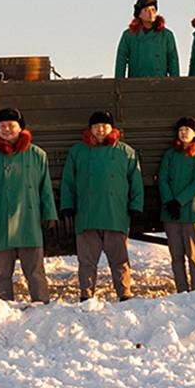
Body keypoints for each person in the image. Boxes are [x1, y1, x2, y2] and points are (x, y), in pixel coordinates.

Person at [0, 108, 57, 303]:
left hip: (29, 221)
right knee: (2, 273)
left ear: (21, 128)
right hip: (0, 222)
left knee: (35, 272)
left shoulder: (37, 155)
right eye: (2, 126)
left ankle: (42, 304)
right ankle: (4, 306)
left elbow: (45, 188)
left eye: (11, 125)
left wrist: (49, 215)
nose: (7, 129)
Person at [60, 111, 145, 301]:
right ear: (90, 129)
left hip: (116, 213)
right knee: (87, 261)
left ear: (112, 128)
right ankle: (86, 294)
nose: (100, 130)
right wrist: (67, 204)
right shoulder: (78, 151)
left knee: (120, 260)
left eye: (105, 126)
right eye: (97, 126)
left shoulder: (125, 152)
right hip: (87, 214)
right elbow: (68, 181)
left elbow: (136, 181)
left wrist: (136, 205)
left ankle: (124, 293)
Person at [157, 116, 195, 292]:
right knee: (176, 254)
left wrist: (179, 201)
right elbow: (162, 178)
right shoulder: (170, 155)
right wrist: (169, 201)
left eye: (187, 130)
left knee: (194, 253)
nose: (184, 133)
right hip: (171, 212)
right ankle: (181, 289)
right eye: (181, 130)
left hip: (191, 211)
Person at [115, 0, 180, 78]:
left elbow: (173, 60)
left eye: (153, 10)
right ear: (139, 14)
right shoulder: (129, 35)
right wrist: (119, 83)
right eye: (146, 10)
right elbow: (121, 59)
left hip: (160, 82)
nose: (150, 13)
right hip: (136, 82)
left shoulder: (166, 35)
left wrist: (175, 84)